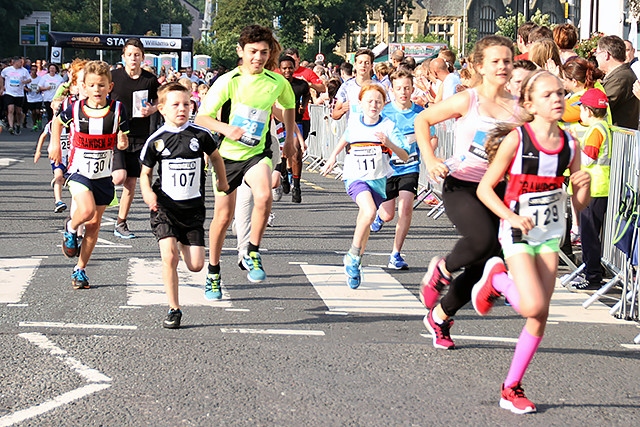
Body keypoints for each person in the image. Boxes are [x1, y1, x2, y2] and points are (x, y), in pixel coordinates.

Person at [474, 69, 591, 414]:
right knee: (532, 306)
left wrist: (580, 186)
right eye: (548, 95)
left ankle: (511, 387)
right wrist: (510, 217)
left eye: (560, 93)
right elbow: (485, 189)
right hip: (517, 230)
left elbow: (578, 205)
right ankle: (496, 278)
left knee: (540, 315)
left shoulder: (571, 144)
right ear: (530, 103)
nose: (557, 99)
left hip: (550, 233)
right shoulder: (518, 140)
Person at [414, 35, 519, 350]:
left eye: (507, 61)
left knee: (482, 265)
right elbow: (423, 119)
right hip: (462, 184)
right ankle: (443, 269)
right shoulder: (468, 99)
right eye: (495, 61)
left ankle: (441, 316)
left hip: (499, 189)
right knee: (482, 240)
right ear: (479, 66)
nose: (502, 66)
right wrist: (430, 159)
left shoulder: (518, 107)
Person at [195, 24, 296, 297]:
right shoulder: (228, 81)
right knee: (223, 217)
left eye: (264, 52)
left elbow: (289, 105)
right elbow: (201, 117)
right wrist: (228, 130)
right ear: (241, 51)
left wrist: (289, 137)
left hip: (256, 154)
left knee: (264, 195)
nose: (258, 58)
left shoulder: (277, 82)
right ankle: (213, 272)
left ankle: (252, 250)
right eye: (252, 52)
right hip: (226, 158)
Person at [139, 83, 228, 328]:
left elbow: (217, 157)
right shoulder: (156, 140)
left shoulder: (200, 135)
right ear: (162, 109)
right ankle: (173, 309)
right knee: (169, 257)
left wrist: (221, 179)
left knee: (196, 265)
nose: (182, 109)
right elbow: (145, 173)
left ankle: (179, 240)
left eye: (186, 104)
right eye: (175, 105)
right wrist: (147, 192)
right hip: (165, 208)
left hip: (192, 210)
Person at [49, 60, 129, 289]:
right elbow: (57, 123)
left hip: (103, 175)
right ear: (83, 86)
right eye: (92, 85)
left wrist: (122, 141)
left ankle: (80, 270)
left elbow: (123, 138)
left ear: (110, 87)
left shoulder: (118, 109)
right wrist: (55, 144)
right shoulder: (74, 108)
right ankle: (71, 228)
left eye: (101, 85)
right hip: (78, 171)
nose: (97, 90)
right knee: (85, 210)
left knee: (94, 225)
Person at [321, 83, 409, 288]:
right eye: (369, 101)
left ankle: (355, 260)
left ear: (384, 104)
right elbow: (346, 137)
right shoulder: (356, 123)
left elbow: (404, 156)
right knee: (369, 212)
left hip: (378, 181)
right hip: (355, 177)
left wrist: (390, 144)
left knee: (366, 220)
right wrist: (333, 157)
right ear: (360, 103)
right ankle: (352, 256)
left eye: (378, 101)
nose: (374, 105)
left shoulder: (388, 126)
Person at [370, 69, 436, 270]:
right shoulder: (385, 112)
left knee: (406, 207)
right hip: (388, 169)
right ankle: (380, 217)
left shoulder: (420, 114)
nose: (403, 92)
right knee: (388, 214)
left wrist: (428, 155)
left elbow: (432, 137)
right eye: (399, 88)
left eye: (407, 88)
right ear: (392, 90)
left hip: (410, 167)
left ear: (413, 88)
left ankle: (395, 254)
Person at [110, 38, 160, 239]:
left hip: (140, 135)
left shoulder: (149, 79)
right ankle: (94, 200)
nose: (133, 58)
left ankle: (121, 223)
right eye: (129, 55)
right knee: (118, 178)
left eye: (137, 55)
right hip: (115, 134)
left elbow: (160, 99)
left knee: (131, 183)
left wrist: (153, 108)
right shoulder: (114, 76)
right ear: (123, 57)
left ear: (143, 57)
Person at [568, 88, 612, 291]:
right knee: (590, 233)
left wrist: (573, 145)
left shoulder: (596, 130)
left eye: (581, 109)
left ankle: (592, 276)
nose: (580, 114)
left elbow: (587, 158)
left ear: (588, 110)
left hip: (593, 187)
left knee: (589, 234)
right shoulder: (604, 126)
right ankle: (591, 271)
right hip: (598, 187)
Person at [278, 55, 311, 203]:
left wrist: (303, 105)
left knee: (296, 151)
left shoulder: (301, 84)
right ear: (280, 69)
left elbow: (306, 94)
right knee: (282, 155)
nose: (287, 71)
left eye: (290, 68)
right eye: (284, 68)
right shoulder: (276, 84)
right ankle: (284, 174)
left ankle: (296, 186)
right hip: (279, 122)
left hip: (296, 121)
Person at [596, 35, 640, 130]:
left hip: (620, 139)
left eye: (597, 53)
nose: (596, 58)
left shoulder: (621, 77)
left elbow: (600, 105)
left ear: (606, 55)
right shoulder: (618, 74)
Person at [34, 96, 68, 213]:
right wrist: (38, 151)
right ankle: (58, 201)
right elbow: (43, 136)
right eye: (56, 107)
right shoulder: (50, 124)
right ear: (52, 107)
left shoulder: (70, 124)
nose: (58, 109)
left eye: (61, 107)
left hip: (70, 157)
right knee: (59, 176)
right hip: (57, 157)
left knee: (69, 180)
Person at [332, 49, 378, 121]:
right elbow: (334, 114)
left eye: (367, 63)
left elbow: (388, 111)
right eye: (360, 62)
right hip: (353, 130)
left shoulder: (379, 87)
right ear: (355, 65)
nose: (363, 65)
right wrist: (342, 110)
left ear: (372, 66)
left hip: (374, 130)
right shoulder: (346, 87)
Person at [0, 56, 31, 134]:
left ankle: (17, 124)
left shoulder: (24, 71)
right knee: (10, 109)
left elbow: (29, 79)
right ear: (15, 62)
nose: (21, 64)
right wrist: (2, 87)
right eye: (20, 62)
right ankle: (11, 126)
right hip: (9, 92)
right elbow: (1, 77)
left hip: (19, 93)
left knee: (18, 111)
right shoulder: (7, 70)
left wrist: (25, 81)